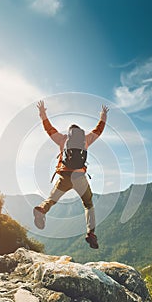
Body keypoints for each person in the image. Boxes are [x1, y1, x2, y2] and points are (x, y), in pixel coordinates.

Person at [33, 100, 109, 249]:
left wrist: (42, 113)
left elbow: (49, 129)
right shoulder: (86, 139)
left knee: (51, 199)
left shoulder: (62, 139)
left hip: (64, 176)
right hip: (79, 177)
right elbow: (98, 130)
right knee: (88, 204)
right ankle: (91, 233)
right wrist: (103, 116)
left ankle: (42, 210)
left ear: (69, 133)